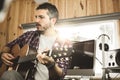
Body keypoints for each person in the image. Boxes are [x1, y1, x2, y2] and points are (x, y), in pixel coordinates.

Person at [0, 2, 71, 80]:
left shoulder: (64, 43)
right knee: (9, 74)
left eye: (41, 17)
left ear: (53, 20)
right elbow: (9, 45)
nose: (36, 20)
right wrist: (3, 54)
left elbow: (60, 75)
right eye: (36, 17)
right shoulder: (29, 35)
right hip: (25, 78)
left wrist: (51, 65)